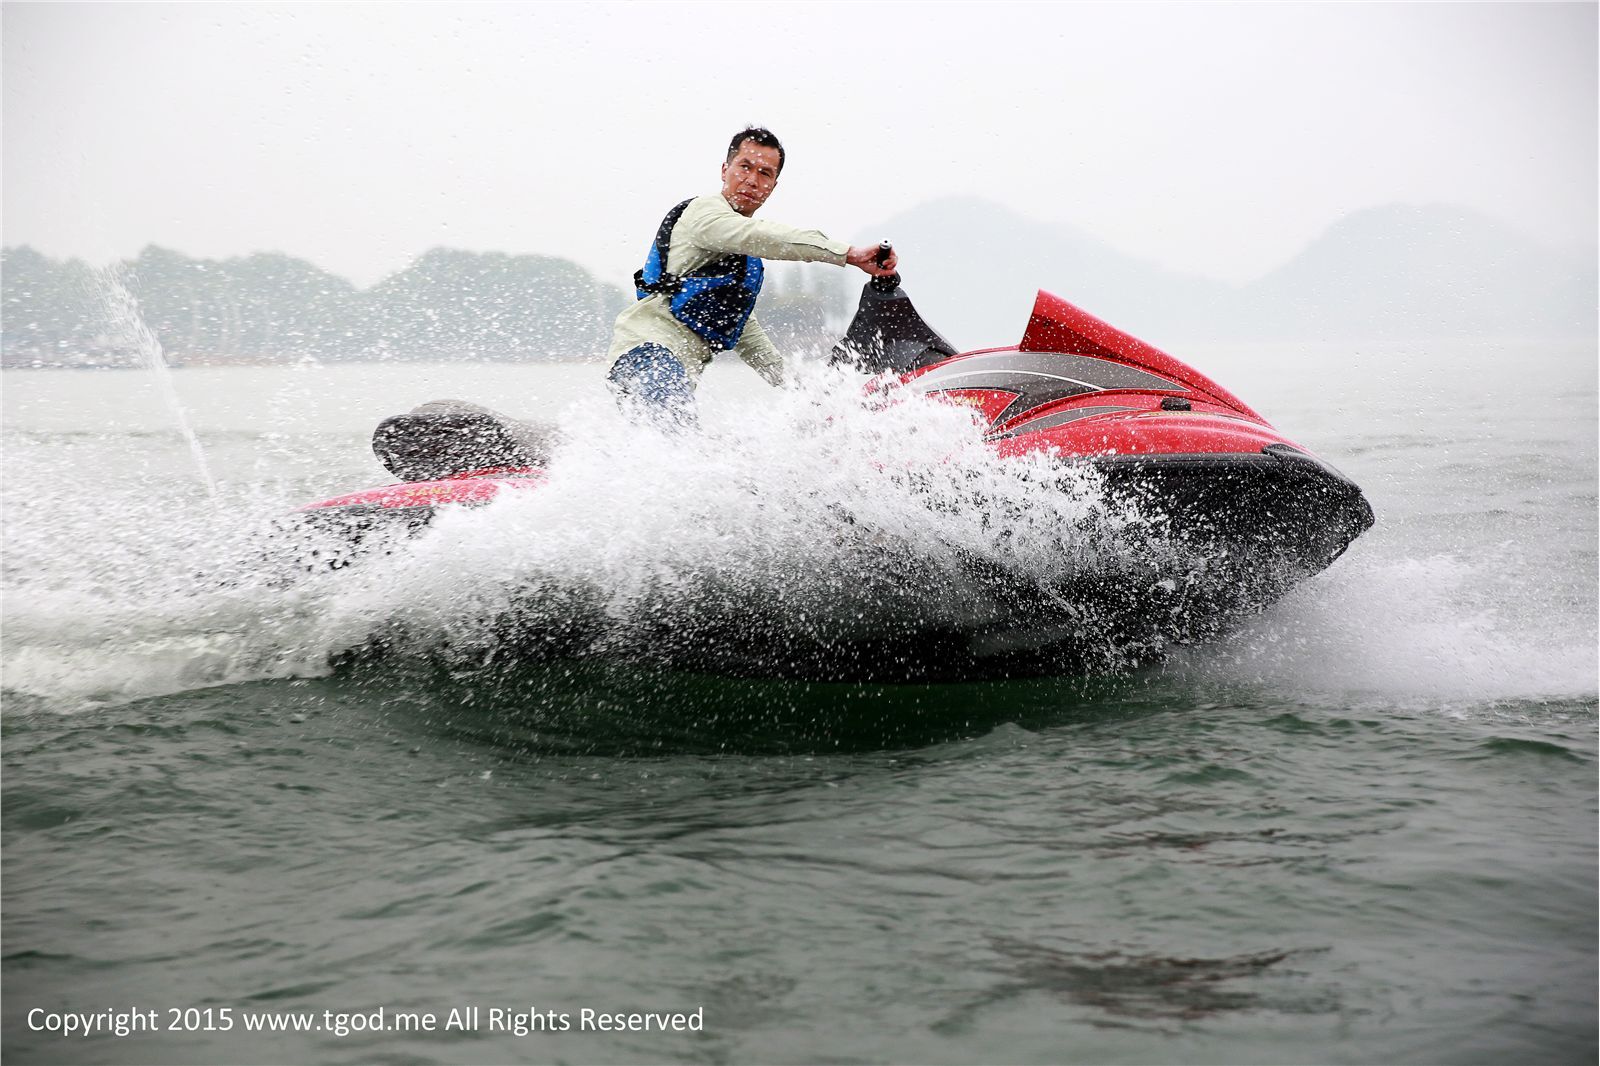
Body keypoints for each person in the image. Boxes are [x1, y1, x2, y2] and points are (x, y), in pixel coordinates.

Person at [605, 126, 899, 422]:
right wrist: (848, 253)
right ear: (725, 169)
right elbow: (763, 236)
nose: (752, 180)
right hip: (646, 355)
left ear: (773, 185)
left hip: (670, 371)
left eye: (764, 173)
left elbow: (744, 330)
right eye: (745, 167)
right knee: (676, 444)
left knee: (671, 450)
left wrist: (799, 388)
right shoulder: (705, 214)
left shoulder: (738, 257)